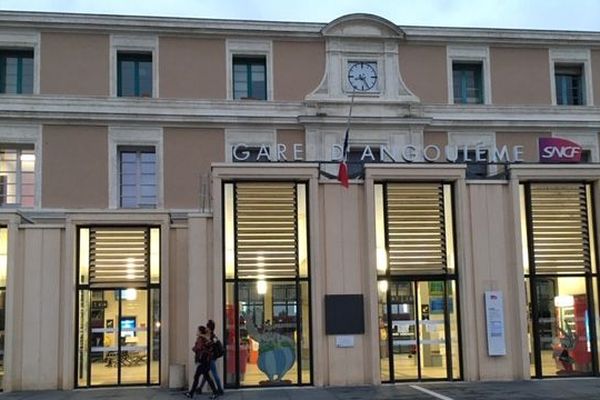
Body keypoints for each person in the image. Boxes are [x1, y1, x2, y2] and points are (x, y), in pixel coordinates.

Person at [185, 326, 219, 399]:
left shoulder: (201, 339)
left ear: (200, 331)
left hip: (204, 361)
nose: (196, 331)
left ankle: (191, 393)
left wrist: (195, 348)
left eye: (198, 330)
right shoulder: (204, 338)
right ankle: (215, 392)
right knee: (206, 377)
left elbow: (199, 348)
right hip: (206, 361)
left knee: (198, 377)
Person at [197, 319, 224, 395]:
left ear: (209, 328)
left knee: (214, 374)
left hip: (211, 358)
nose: (206, 328)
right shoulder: (211, 335)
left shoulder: (212, 336)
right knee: (206, 374)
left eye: (207, 326)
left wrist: (201, 335)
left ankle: (220, 389)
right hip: (209, 358)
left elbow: (209, 341)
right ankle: (200, 388)